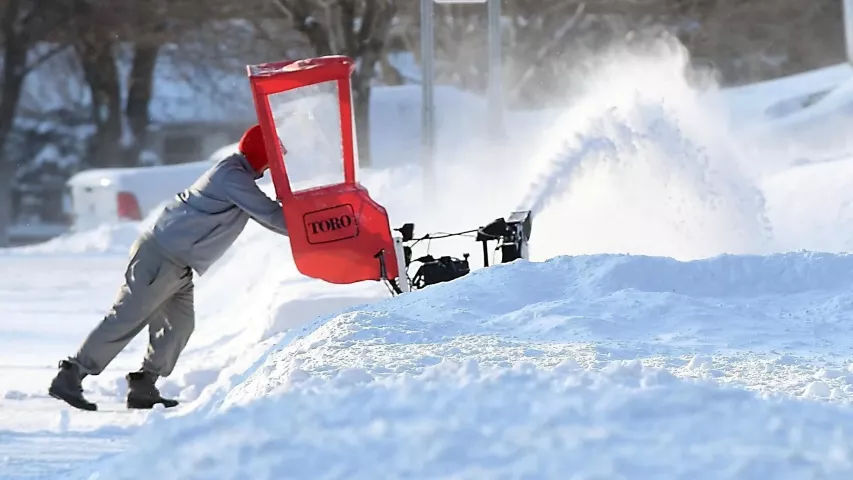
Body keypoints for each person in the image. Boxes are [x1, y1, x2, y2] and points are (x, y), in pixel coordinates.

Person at [48, 124, 289, 411]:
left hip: (177, 262)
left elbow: (270, 214)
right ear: (263, 154)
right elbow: (272, 215)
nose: (275, 164)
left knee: (178, 325)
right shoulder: (232, 177)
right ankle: (71, 374)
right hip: (162, 257)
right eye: (273, 156)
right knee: (127, 318)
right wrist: (313, 228)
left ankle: (144, 384)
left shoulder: (235, 174)